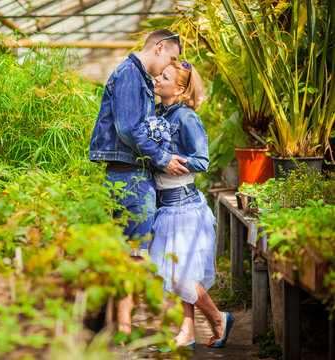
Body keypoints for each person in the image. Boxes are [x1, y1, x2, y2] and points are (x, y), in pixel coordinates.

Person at [89, 29, 189, 340]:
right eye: (171, 58)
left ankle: (116, 327)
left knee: (126, 253)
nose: (170, 66)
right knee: (133, 256)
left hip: (129, 174)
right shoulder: (130, 74)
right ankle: (122, 330)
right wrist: (162, 159)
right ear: (160, 48)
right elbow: (129, 128)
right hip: (129, 176)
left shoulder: (138, 78)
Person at [148, 60, 233, 350]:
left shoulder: (186, 117)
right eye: (159, 74)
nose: (157, 78)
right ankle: (187, 333)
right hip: (165, 206)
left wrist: (174, 161)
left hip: (184, 208)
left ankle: (218, 317)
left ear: (181, 89)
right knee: (173, 273)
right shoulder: (158, 112)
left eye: (165, 76)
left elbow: (203, 160)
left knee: (180, 274)